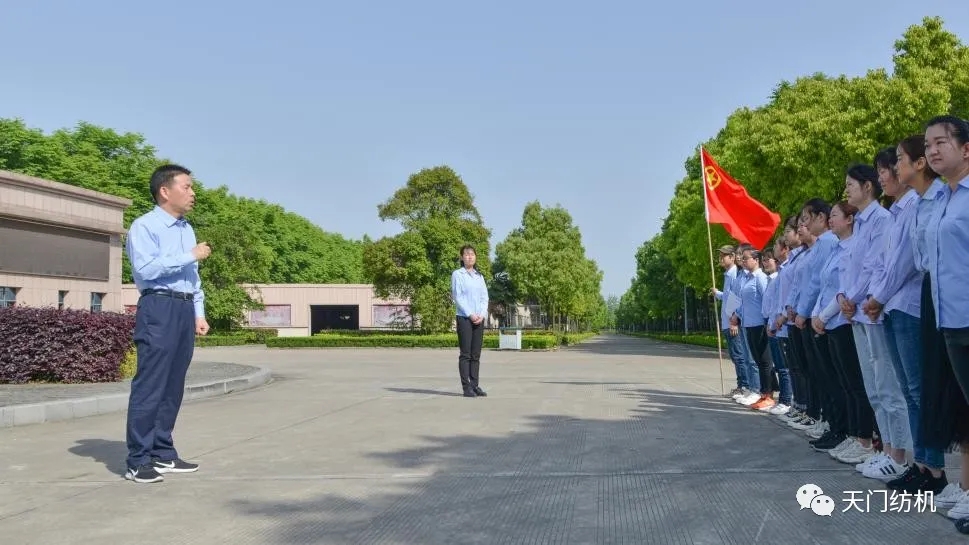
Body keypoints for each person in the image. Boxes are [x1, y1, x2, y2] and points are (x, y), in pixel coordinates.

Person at [124, 164, 211, 484]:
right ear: (165, 191)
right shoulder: (144, 226)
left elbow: (192, 278)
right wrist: (190, 255)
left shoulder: (186, 229)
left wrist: (199, 312)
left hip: (184, 308)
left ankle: (163, 452)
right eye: (186, 187)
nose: (193, 193)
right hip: (158, 306)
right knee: (151, 384)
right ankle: (138, 459)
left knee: (173, 385)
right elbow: (146, 270)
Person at [451, 244, 489, 398]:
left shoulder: (479, 276)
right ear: (462, 257)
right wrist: (470, 314)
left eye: (472, 254)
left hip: (479, 319)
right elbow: (457, 296)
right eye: (466, 254)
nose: (469, 256)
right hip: (464, 318)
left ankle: (475, 385)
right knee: (465, 354)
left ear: (475, 257)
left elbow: (485, 297)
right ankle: (466, 387)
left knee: (476, 354)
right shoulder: (457, 274)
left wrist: (481, 314)